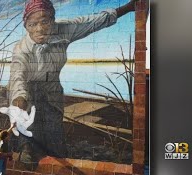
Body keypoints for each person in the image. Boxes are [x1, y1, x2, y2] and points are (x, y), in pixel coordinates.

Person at [8, 0, 137, 163]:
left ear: (52, 20)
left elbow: (92, 22)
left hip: (52, 87)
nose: (39, 29)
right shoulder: (21, 49)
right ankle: (25, 149)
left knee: (54, 132)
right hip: (27, 88)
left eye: (44, 21)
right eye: (32, 24)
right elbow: (18, 77)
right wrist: (19, 99)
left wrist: (127, 8)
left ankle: (57, 161)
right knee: (28, 127)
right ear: (26, 26)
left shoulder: (63, 30)